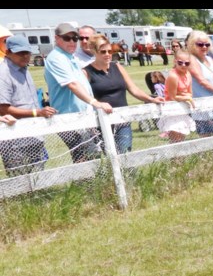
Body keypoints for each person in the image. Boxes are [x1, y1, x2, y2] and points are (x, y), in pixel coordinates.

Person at [44, 23, 112, 163]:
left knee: (93, 157)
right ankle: (85, 184)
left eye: (75, 38)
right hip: (69, 118)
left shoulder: (70, 57)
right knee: (82, 158)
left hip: (83, 116)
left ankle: (94, 184)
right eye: (67, 38)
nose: (72, 42)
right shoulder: (56, 58)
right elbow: (72, 85)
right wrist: (95, 102)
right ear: (57, 38)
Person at [85, 34, 163, 153]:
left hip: (122, 119)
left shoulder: (117, 66)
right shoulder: (86, 72)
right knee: (108, 156)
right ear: (94, 51)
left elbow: (133, 89)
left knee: (125, 152)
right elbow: (85, 97)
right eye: (103, 51)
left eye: (110, 51)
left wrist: (151, 99)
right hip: (101, 122)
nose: (107, 54)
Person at [0, 35, 55, 176]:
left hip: (34, 135)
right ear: (8, 52)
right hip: (15, 140)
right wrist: (37, 113)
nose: (25, 56)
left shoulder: (24, 69)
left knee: (38, 178)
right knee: (20, 181)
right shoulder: (3, 73)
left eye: (27, 52)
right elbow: (3, 109)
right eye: (20, 53)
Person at [158, 50, 197, 143]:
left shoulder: (188, 74)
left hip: (182, 110)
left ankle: (180, 157)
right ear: (175, 61)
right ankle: (175, 157)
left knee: (182, 140)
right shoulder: (173, 76)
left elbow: (190, 93)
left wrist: (186, 96)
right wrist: (187, 97)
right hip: (172, 111)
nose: (183, 65)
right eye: (180, 62)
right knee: (176, 140)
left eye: (187, 63)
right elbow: (172, 97)